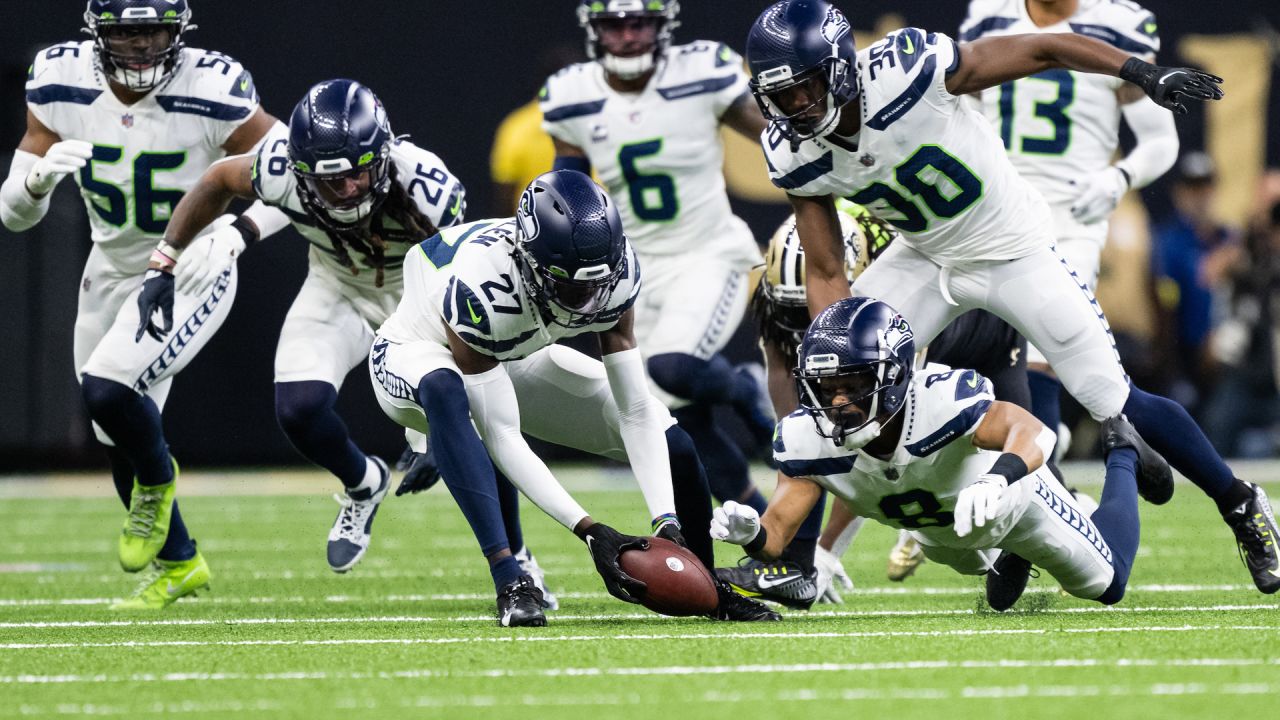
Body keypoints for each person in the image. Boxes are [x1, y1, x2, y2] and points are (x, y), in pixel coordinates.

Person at [744, 0, 1278, 594]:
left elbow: (1041, 49)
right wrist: (837, 343)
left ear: (841, 69)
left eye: (807, 87)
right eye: (782, 94)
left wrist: (1139, 72)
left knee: (1112, 397)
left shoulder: (905, 70)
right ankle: (798, 557)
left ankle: (1241, 503)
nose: (797, 105)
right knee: (836, 372)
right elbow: (824, 269)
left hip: (1010, 247)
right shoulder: (792, 147)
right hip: (923, 255)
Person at [367, 170, 779, 626]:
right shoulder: (482, 287)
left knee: (674, 441)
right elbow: (503, 435)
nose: (585, 300)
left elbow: (636, 408)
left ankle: (708, 586)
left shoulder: (613, 271)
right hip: (418, 352)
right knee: (446, 391)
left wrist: (668, 522)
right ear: (527, 260)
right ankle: (511, 578)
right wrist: (589, 530)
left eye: (594, 285)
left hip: (515, 351)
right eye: (568, 284)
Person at [134, 79, 485, 580]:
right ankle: (364, 483)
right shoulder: (279, 167)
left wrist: (434, 429)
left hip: (415, 300)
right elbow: (216, 180)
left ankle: (517, 560)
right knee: (297, 410)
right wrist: (162, 262)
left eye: (353, 176)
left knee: (470, 424)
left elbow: (453, 289)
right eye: (326, 181)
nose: (342, 190)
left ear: (382, 157)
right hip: (336, 289)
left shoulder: (429, 190)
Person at [0, 0, 286, 610]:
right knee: (111, 428)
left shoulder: (213, 86)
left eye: (152, 32)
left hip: (192, 263)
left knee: (110, 390)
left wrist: (239, 235)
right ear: (95, 34)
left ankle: (158, 481)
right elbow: (13, 217)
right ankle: (181, 562)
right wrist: (36, 181)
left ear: (177, 32)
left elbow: (298, 175)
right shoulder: (59, 81)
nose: (139, 48)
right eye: (124, 35)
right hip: (110, 265)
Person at [711, 297, 1153, 611]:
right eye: (828, 388)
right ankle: (1011, 556)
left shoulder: (941, 402)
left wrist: (998, 478)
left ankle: (1124, 451)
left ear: (897, 377)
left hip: (1012, 500)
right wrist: (750, 533)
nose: (840, 402)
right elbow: (776, 541)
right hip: (946, 535)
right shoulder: (807, 439)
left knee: (1106, 585)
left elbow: (1033, 432)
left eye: (854, 385)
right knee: (992, 592)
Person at [724, 200, 1036, 605]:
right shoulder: (784, 294)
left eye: (807, 309)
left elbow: (873, 437)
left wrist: (826, 550)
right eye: (791, 309)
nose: (805, 325)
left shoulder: (889, 318)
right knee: (820, 436)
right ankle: (799, 565)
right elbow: (809, 438)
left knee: (1029, 465)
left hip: (985, 335)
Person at [542, 0, 776, 518]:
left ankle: (743, 388)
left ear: (661, 26)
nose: (627, 36)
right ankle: (760, 527)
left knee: (673, 367)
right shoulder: (571, 95)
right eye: (614, 24)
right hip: (632, 271)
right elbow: (569, 191)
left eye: (638, 23)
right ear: (594, 31)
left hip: (706, 253)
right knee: (676, 425)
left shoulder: (702, 70)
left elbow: (776, 137)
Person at [960, 0, 1180, 458]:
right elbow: (960, 115)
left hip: (1070, 218)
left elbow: (1162, 140)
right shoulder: (989, 13)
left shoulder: (1118, 22)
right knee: (973, 356)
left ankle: (1045, 470)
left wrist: (1118, 177)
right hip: (994, 214)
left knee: (1046, 354)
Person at [1150, 152, 1241, 409]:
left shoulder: (1229, 237)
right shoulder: (1168, 241)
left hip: (1228, 354)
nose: (1200, 195)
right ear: (1180, 192)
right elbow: (1166, 304)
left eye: (1205, 187)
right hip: (1184, 354)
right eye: (1193, 188)